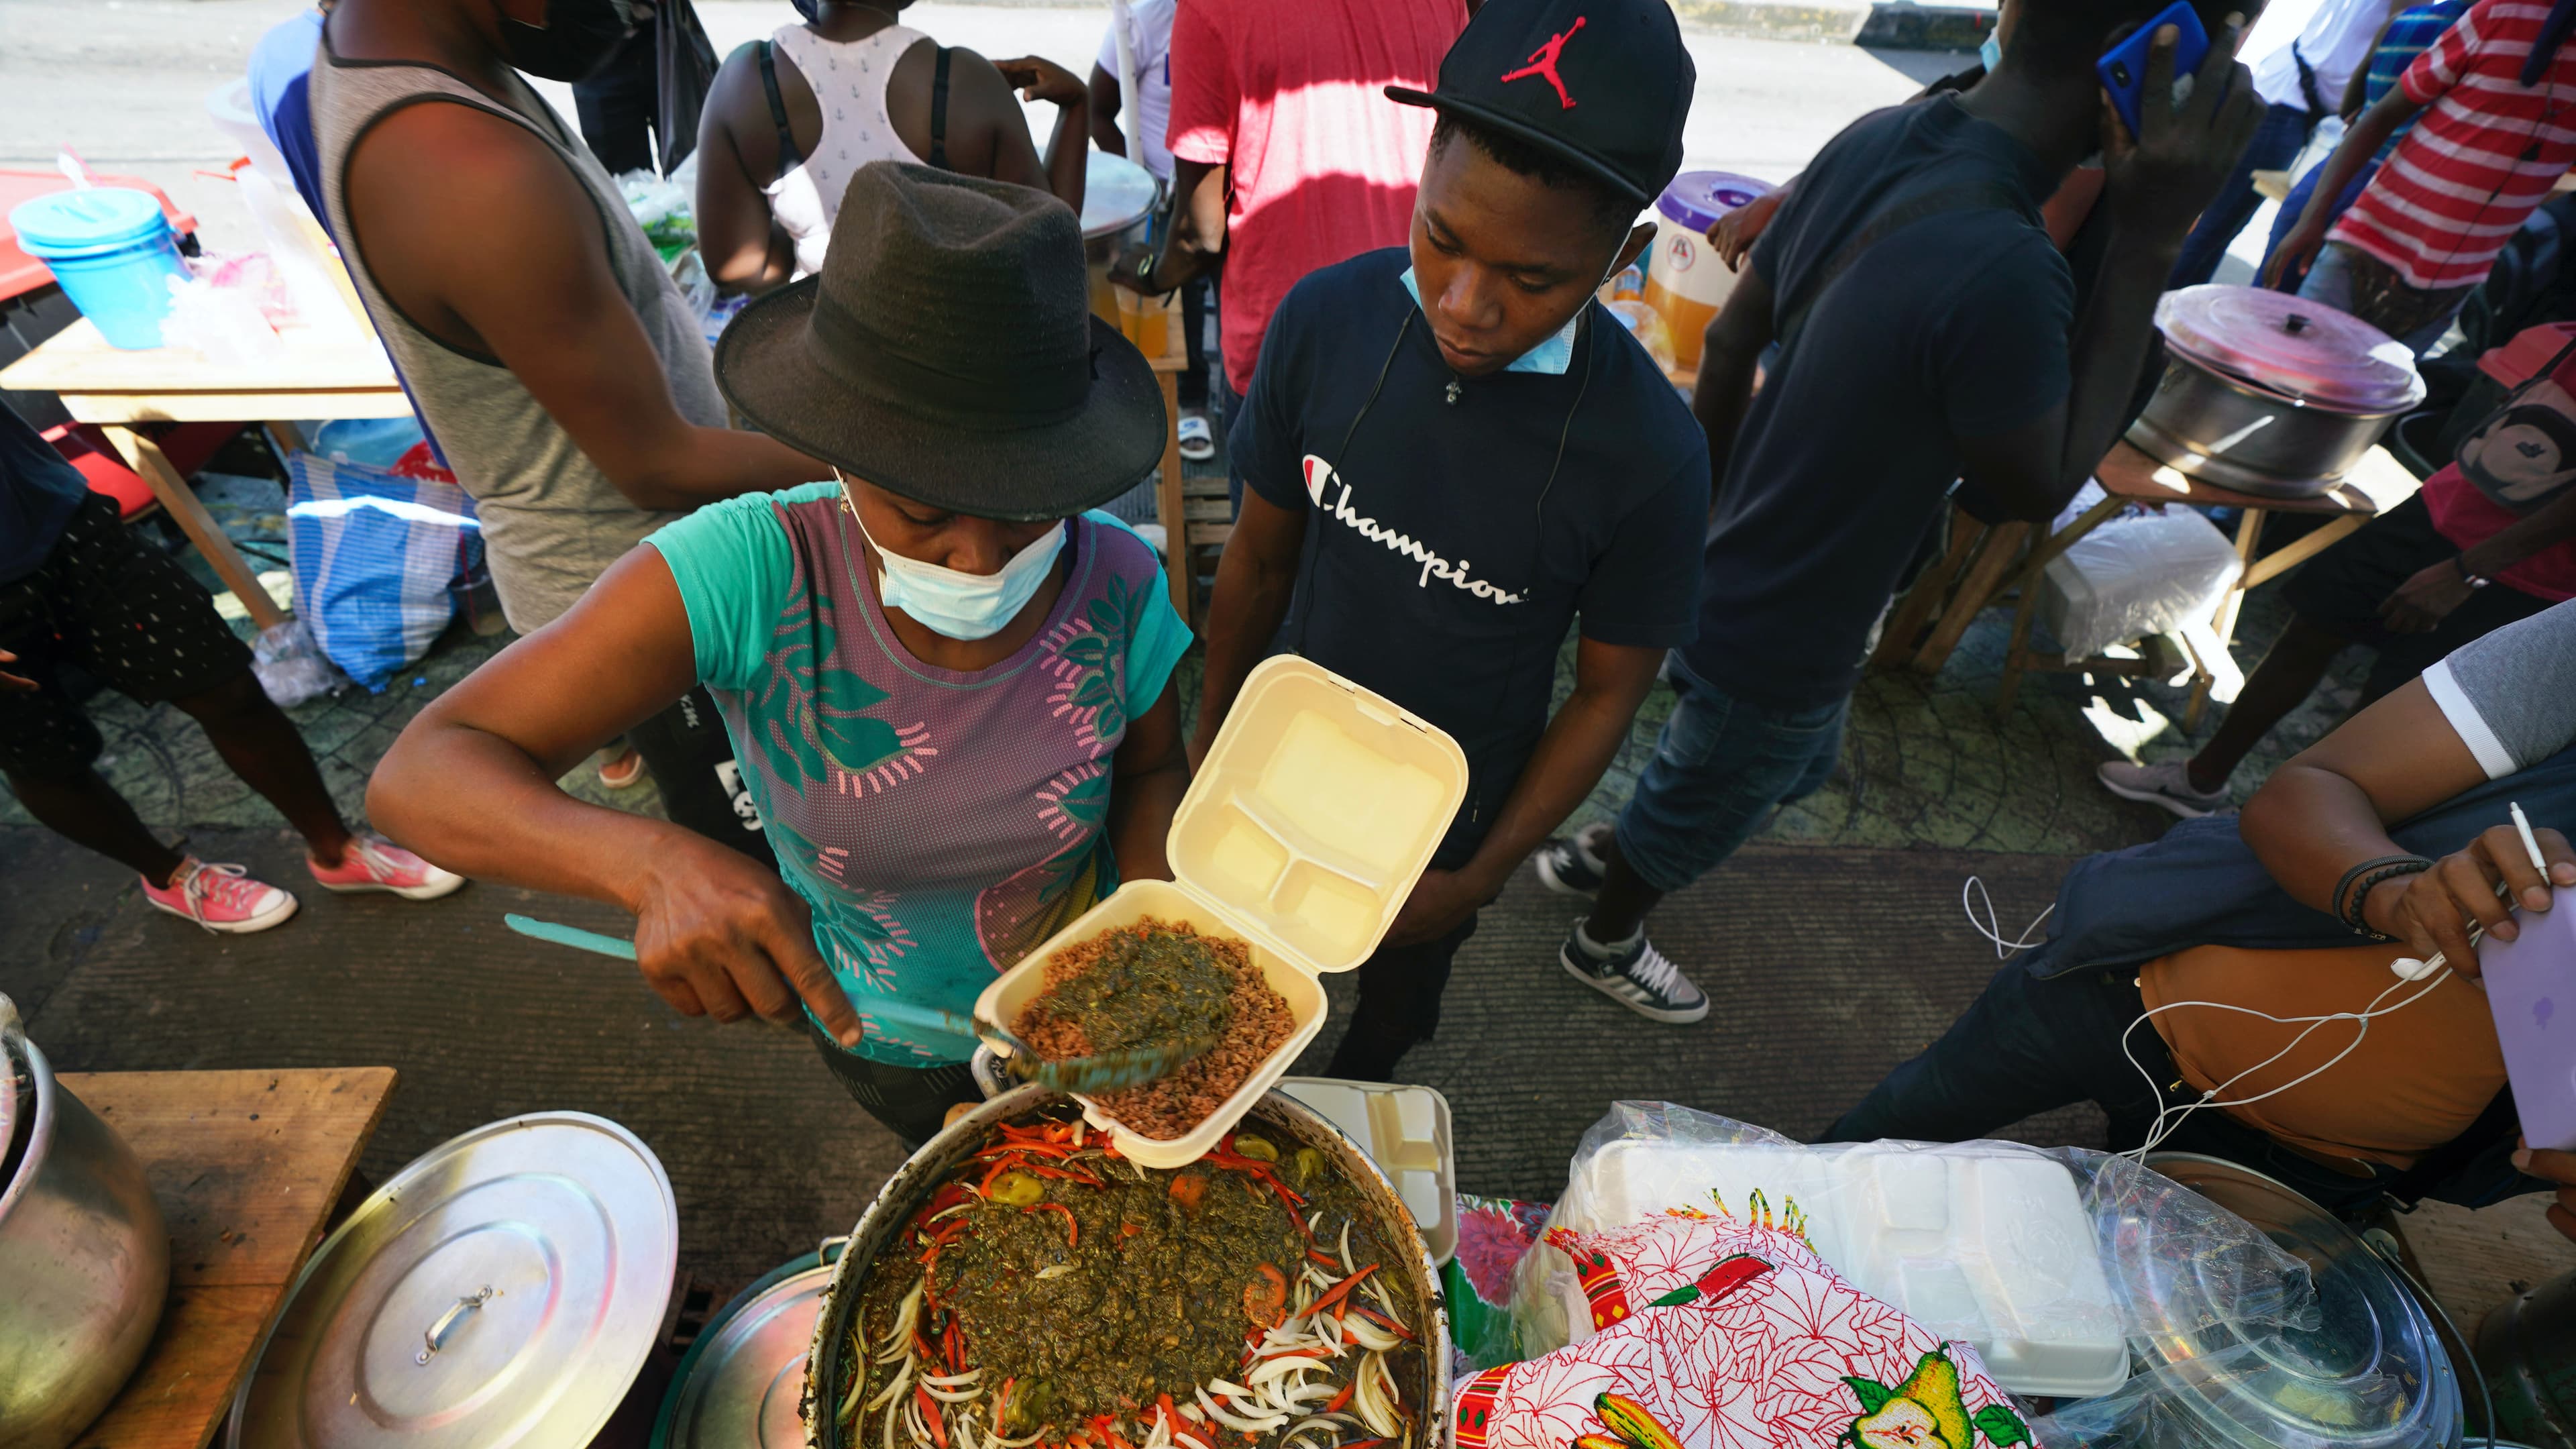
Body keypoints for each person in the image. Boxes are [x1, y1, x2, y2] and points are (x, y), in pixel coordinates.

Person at [372, 164, 1190, 1147]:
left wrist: (1144, 955)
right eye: (922, 513)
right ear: (844, 453)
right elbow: (424, 774)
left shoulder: (1116, 579)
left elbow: (1152, 771)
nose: (977, 558)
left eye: (1025, 510)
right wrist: (652, 865)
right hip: (889, 1033)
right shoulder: (753, 571)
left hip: (1088, 1005)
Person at [1535, 5, 2261, 1013]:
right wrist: (2149, 238)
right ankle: (1607, 936)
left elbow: (1735, 340)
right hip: (1792, 617)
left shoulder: (1881, 135)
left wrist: (1709, 527)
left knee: (1772, 766)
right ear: (2137, 69)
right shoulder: (2009, 267)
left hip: (1747, 569)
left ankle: (1623, 846)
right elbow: (2032, 490)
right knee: (1719, 786)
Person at [1190, 0, 1709, 1077]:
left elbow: (1606, 694)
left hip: (1450, 818)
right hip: (1280, 753)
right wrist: (1209, 745)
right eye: (1443, 240)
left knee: (1393, 1011)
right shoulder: (1322, 323)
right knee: (1235, 994)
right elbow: (1260, 559)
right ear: (1425, 166)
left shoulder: (1652, 456)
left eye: (1534, 279)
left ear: (1624, 253)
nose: (1467, 307)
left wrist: (1480, 875)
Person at [1830, 598, 2576, 1242]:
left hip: (2310, 1165)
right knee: (1855, 1160)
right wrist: (2391, 890)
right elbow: (2312, 787)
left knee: (2106, 1335)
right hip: (2122, 995)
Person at [313, 0, 830, 863]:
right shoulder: (464, 165)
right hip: (641, 589)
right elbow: (657, 464)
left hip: (660, 556)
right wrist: (879, 468)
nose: (637, 14)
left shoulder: (398, 39)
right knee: (769, 863)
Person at [1, 404, 461, 932]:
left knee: (227, 688)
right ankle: (168, 877)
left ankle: (337, 851)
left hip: (54, 514)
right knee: (43, 757)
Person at [1126, 0, 1465, 421]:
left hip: (1285, 359)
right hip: (1417, 337)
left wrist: (1151, 275)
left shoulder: (1210, 9)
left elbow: (1200, 235)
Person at [695, 0, 1089, 294]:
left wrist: (814, 243)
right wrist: (1076, 106)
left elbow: (737, 267)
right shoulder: (968, 83)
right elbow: (1050, 245)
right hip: (943, 355)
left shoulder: (746, 78)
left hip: (814, 353)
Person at [2269, 0, 2576, 353]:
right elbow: (2380, 115)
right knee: (2292, 365)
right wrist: (2312, 217)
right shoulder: (2502, 14)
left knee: (2365, 388)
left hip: (2451, 289)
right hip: (2362, 252)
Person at [2169, 0, 2411, 289]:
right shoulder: (2406, 16)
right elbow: (2397, 29)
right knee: (2214, 228)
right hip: (2287, 103)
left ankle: (2172, 304)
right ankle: (2159, 307)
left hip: (2293, 102)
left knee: (2219, 229)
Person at [2257, 0, 2473, 290]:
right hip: (2390, 203)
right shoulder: (2479, 42)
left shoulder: (2402, 22)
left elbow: (2349, 108)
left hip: (2327, 184)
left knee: (2264, 298)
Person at [1088, 0, 1216, 462]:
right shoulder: (1143, 20)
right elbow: (1096, 109)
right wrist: (1143, 183)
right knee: (1177, 303)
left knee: (1243, 301)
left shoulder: (1244, 16)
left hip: (1235, 186)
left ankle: (1248, 397)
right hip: (1168, 195)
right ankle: (1189, 402)